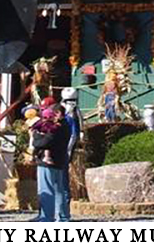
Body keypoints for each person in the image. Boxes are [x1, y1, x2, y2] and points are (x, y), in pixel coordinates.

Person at [30, 105, 71, 222]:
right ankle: (63, 216)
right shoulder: (66, 125)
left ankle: (47, 217)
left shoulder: (56, 127)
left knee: (46, 189)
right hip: (60, 161)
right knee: (59, 190)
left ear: (58, 113)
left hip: (48, 163)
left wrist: (35, 138)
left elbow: (45, 142)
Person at [59, 88, 81, 222]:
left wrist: (68, 149)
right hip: (61, 149)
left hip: (66, 150)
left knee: (63, 180)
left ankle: (64, 212)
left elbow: (74, 134)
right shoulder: (65, 112)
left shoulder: (73, 113)